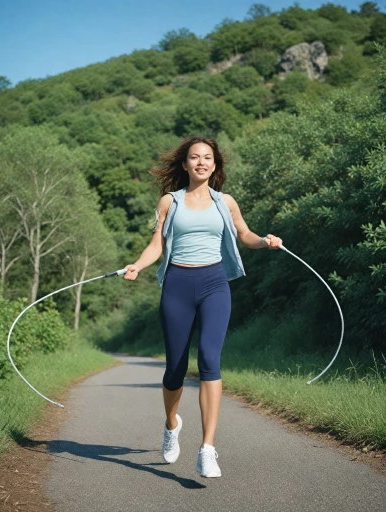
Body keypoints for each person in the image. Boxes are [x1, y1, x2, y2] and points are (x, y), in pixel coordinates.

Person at [123, 136, 282, 478]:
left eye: (207, 157)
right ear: (185, 164)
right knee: (175, 370)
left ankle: (207, 449)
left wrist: (266, 241)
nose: (201, 162)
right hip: (177, 285)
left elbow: (245, 235)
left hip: (214, 285)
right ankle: (171, 425)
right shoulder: (170, 202)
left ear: (215, 164)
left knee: (210, 359)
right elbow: (157, 245)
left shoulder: (225, 202)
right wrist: (137, 264)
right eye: (194, 157)